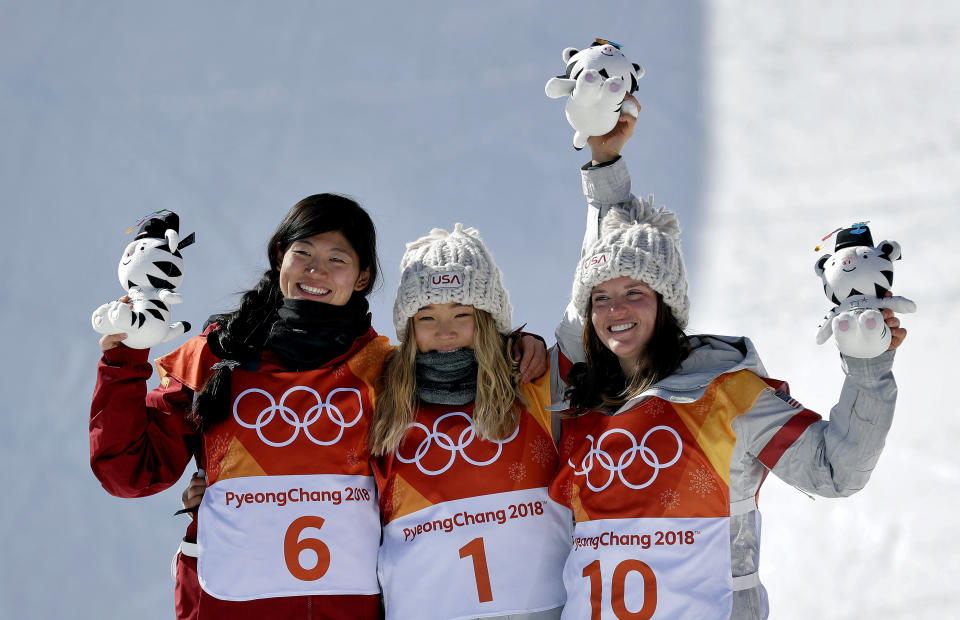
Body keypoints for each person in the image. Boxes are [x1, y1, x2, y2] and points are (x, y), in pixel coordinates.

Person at [548, 101, 905, 619]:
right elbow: (606, 256)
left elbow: (835, 471)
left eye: (635, 293)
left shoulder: (726, 394)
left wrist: (869, 367)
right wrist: (605, 168)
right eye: (600, 299)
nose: (615, 310)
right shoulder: (579, 399)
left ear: (667, 303)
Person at [90, 194, 391, 619]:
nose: (315, 270)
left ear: (362, 277)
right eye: (302, 252)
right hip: (226, 604)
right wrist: (125, 357)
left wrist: (515, 354)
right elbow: (129, 472)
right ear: (279, 256)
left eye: (337, 259)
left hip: (347, 606)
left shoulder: (389, 371)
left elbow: (464, 445)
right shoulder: (215, 356)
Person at [370, 224, 571, 620]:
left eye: (462, 314)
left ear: (488, 321)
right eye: (426, 317)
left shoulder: (534, 385)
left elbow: (590, 324)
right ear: (409, 329)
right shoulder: (382, 400)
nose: (445, 332)